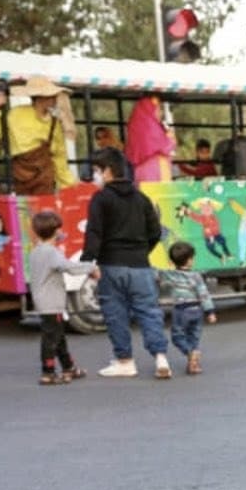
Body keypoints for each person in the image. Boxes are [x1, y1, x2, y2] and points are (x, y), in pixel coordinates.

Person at [81, 147, 172, 379]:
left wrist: (88, 261)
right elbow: (155, 232)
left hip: (111, 265)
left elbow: (94, 232)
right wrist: (141, 251)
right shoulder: (141, 198)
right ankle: (161, 358)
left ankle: (125, 361)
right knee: (149, 311)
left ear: (108, 171)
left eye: (96, 170)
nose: (94, 176)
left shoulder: (101, 198)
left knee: (116, 314)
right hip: (140, 266)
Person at [27, 210, 99, 385]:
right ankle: (48, 372)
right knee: (51, 339)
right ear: (54, 231)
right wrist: (91, 268)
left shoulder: (36, 251)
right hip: (51, 302)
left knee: (58, 337)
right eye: (59, 229)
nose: (61, 232)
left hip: (44, 300)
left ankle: (69, 367)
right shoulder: (51, 252)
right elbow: (68, 267)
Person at [0, 77, 76, 195]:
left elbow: (59, 156)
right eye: (51, 95)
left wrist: (68, 186)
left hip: (44, 177)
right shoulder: (16, 114)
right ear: (40, 97)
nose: (55, 98)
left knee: (43, 203)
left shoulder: (54, 123)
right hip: (20, 175)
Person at [158, 241, 217, 375]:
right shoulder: (196, 276)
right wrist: (210, 311)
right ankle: (193, 365)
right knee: (193, 338)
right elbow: (204, 294)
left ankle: (189, 353)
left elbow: (161, 283)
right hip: (197, 310)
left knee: (177, 337)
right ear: (190, 260)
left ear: (172, 261)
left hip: (181, 310)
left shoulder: (170, 275)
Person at [124, 94, 175, 183]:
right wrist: (170, 138)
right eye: (158, 109)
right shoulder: (151, 126)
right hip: (156, 169)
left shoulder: (135, 125)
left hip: (139, 171)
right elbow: (165, 147)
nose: (160, 113)